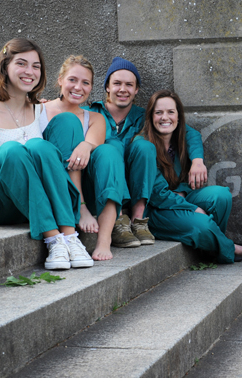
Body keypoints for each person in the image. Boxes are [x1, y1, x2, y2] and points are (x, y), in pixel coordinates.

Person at [0, 38, 92, 270]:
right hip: (0, 202)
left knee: (45, 142)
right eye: (22, 63)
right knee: (12, 149)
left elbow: (51, 155)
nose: (30, 71)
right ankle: (53, 239)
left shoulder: (42, 110)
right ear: (5, 66)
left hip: (37, 199)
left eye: (36, 66)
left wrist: (87, 145)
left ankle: (69, 236)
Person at [85, 57, 206, 248]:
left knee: (144, 146)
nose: (123, 89)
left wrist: (197, 161)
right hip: (100, 189)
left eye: (129, 84)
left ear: (136, 90)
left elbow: (188, 132)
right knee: (111, 147)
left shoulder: (144, 117)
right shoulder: (89, 113)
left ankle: (137, 220)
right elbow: (60, 112)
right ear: (107, 86)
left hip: (136, 190)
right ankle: (117, 219)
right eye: (117, 83)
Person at [130, 90, 242, 263]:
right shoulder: (142, 145)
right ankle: (229, 247)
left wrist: (197, 161)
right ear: (150, 117)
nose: (165, 117)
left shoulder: (179, 138)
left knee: (221, 196)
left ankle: (211, 244)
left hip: (180, 197)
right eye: (158, 112)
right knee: (203, 223)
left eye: (170, 112)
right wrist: (192, 208)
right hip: (156, 209)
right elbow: (156, 194)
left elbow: (193, 134)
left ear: (178, 117)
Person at [40, 55, 131, 261]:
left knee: (109, 152)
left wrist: (86, 145)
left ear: (91, 87)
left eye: (86, 83)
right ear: (60, 79)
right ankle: (77, 207)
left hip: (85, 186)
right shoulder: (38, 109)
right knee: (65, 127)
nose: (78, 87)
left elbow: (94, 144)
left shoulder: (95, 118)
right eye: (72, 80)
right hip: (51, 185)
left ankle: (105, 238)